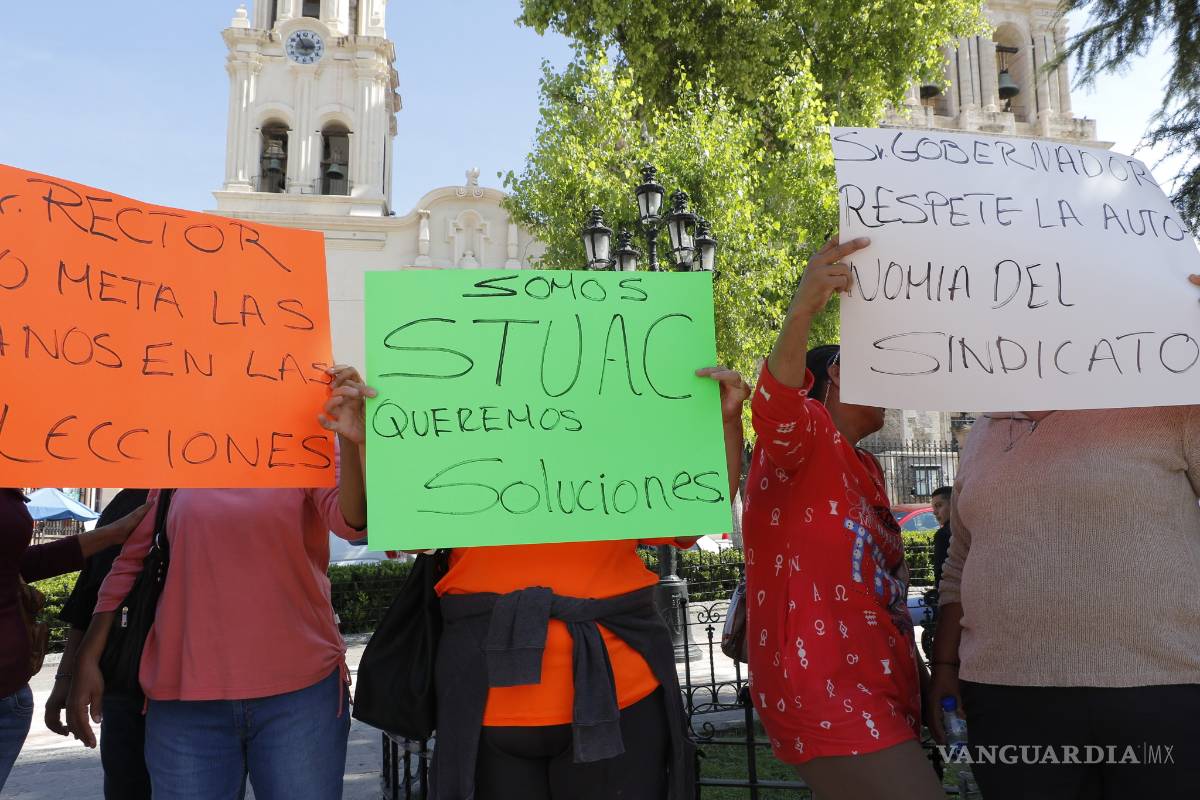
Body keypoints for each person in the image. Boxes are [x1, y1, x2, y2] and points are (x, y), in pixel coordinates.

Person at [927, 269, 1200, 799]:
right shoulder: (982, 431)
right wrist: (945, 666)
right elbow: (960, 560)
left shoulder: (1170, 402)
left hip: (1162, 689)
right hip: (1007, 697)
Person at [423, 364, 749, 800]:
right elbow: (388, 524)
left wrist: (727, 423)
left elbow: (694, 515)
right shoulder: (443, 412)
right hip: (485, 702)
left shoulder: (619, 413)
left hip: (619, 695)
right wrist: (361, 441)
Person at [67, 366, 371, 800]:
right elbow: (130, 562)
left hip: (300, 698)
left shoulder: (309, 435)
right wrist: (84, 660)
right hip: (184, 705)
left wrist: (350, 439)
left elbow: (353, 523)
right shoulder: (182, 447)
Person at [742, 234, 943, 799]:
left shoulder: (867, 467)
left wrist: (919, 674)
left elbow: (881, 586)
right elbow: (776, 405)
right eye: (875, 368)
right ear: (834, 377)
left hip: (884, 686)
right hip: (823, 690)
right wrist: (804, 306)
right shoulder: (806, 437)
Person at [1, 488, 148, 791]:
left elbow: (11, 565)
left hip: (8, 691)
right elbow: (93, 593)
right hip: (127, 691)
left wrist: (108, 535)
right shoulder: (134, 498)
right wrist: (71, 672)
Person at [45, 488, 152, 800]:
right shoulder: (131, 500)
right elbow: (91, 593)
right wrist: (66, 677)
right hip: (126, 681)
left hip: (200, 692)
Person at [929, 485, 952, 591]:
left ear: (953, 504)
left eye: (939, 505)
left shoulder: (943, 535)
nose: (934, 512)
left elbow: (940, 575)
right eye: (934, 508)